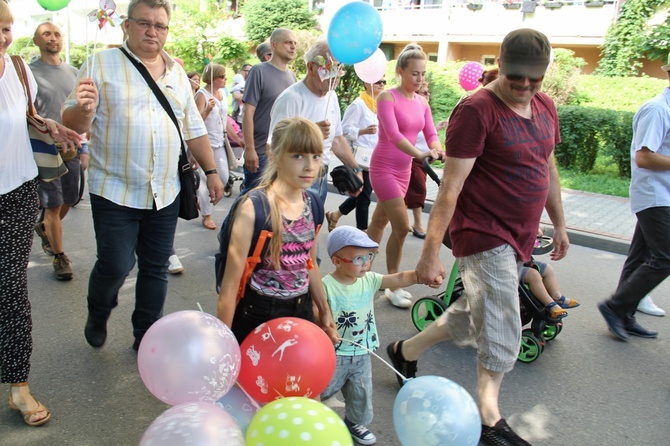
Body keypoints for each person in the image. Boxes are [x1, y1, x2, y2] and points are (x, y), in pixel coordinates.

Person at [387, 29, 569, 446]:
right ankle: (490, 422)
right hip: (483, 233)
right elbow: (449, 188)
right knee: (504, 323)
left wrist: (559, 223)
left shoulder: (545, 107)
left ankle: (406, 351)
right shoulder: (477, 110)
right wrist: (429, 254)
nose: (525, 86)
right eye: (516, 76)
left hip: (521, 233)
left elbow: (548, 169)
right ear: (500, 65)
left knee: (475, 312)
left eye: (534, 79)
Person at [62, 0, 224, 351]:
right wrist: (82, 109)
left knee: (155, 267)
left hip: (164, 190)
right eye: (144, 23)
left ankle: (145, 336)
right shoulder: (99, 63)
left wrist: (212, 171)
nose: (152, 31)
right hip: (114, 189)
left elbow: (193, 127)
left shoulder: (176, 72)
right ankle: (99, 310)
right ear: (127, 25)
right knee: (116, 264)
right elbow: (72, 125)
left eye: (160, 25)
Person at [1, 0, 81, 426]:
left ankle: (19, 386)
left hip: (15, 191)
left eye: (7, 28)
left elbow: (28, 116)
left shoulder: (16, 69)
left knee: (11, 289)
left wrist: (51, 125)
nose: (2, 37)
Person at [216, 117, 337, 343]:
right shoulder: (254, 209)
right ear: (274, 155)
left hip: (302, 308)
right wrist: (224, 345)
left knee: (296, 378)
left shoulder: (314, 204)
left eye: (316, 156)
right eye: (298, 156)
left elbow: (309, 264)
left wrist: (324, 309)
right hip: (260, 312)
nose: (310, 166)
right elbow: (231, 285)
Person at [320, 226, 421, 445]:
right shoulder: (326, 286)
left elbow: (397, 279)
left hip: (362, 352)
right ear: (337, 261)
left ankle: (354, 422)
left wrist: (417, 275)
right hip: (334, 353)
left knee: (361, 393)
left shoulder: (370, 280)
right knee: (322, 390)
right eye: (358, 258)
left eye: (369, 256)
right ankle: (315, 421)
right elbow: (319, 314)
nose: (366, 262)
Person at [597, 53, 670, 341]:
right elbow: (644, 158)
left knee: (639, 256)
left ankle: (624, 315)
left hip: (664, 195)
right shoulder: (656, 109)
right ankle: (615, 307)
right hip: (654, 194)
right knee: (666, 257)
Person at [366, 43, 441, 308]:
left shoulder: (422, 102)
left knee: (378, 223)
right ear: (400, 72)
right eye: (414, 74)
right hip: (384, 167)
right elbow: (394, 134)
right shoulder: (387, 97)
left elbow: (431, 133)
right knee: (402, 228)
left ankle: (358, 271)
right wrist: (419, 154)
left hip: (404, 170)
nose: (420, 79)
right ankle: (392, 284)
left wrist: (436, 148)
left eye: (423, 74)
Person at [269, 40, 361, 208]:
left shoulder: (331, 96)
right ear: (311, 68)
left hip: (321, 178)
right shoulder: (291, 98)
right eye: (330, 67)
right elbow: (273, 146)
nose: (336, 75)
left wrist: (356, 170)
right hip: (294, 181)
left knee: (312, 230)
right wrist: (310, 131)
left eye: (339, 68)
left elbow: (337, 139)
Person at [29, 22, 86, 281]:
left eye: (57, 34)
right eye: (46, 34)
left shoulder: (74, 72)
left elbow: (81, 112)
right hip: (43, 147)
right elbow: (25, 112)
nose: (52, 38)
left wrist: (83, 146)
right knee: (52, 204)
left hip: (71, 148)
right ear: (36, 40)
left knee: (69, 198)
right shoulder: (28, 73)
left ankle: (44, 227)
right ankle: (59, 256)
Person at [325, 77, 386, 232]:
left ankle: (335, 215)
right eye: (378, 81)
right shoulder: (358, 104)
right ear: (367, 83)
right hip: (359, 158)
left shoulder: (380, 105)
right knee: (364, 196)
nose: (381, 84)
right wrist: (363, 131)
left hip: (374, 157)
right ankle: (362, 232)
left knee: (362, 193)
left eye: (384, 82)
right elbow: (343, 130)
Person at [242, 28, 297, 193]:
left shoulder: (292, 76)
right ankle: (231, 220)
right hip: (261, 152)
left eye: (295, 43)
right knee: (251, 200)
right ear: (273, 45)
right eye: (288, 42)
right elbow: (248, 113)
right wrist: (250, 150)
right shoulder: (258, 71)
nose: (293, 47)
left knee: (274, 203)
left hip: (282, 152)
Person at [194, 63, 236, 230]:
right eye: (222, 76)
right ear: (213, 78)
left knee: (223, 177)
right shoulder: (201, 95)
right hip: (204, 143)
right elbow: (194, 123)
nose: (225, 79)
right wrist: (207, 110)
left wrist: (237, 139)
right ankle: (206, 215)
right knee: (206, 180)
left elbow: (225, 120)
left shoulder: (222, 94)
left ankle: (200, 199)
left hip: (219, 143)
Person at [405, 82, 448, 239]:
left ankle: (336, 214)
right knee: (419, 191)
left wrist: (439, 148)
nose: (426, 95)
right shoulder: (410, 111)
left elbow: (429, 135)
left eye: (427, 92)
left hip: (424, 159)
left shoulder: (425, 111)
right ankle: (417, 224)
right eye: (423, 92)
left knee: (401, 196)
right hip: (412, 158)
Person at [231, 64, 250, 129]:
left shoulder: (252, 82)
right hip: (240, 120)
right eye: (249, 71)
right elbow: (237, 96)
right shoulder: (238, 83)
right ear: (243, 72)